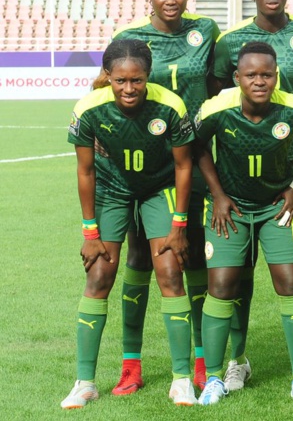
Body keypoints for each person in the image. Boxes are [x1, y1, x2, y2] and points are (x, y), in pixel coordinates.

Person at [212, 0, 293, 392]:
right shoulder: (230, 42)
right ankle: (236, 360)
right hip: (242, 175)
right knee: (236, 269)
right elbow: (217, 102)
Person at [61, 39, 196, 408]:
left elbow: (184, 165)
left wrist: (178, 226)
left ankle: (182, 379)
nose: (129, 89)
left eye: (136, 80)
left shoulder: (169, 105)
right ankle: (84, 382)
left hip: (159, 189)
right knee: (100, 274)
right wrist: (90, 232)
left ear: (147, 76)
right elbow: (85, 171)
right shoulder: (90, 108)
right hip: (111, 190)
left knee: (169, 271)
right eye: (120, 80)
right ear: (108, 76)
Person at [193, 42, 293, 406]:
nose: (259, 81)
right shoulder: (217, 108)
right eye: (250, 75)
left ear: (276, 75)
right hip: (230, 208)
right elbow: (197, 146)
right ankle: (216, 377)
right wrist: (217, 194)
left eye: (266, 74)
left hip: (276, 207)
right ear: (237, 78)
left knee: (290, 281)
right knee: (221, 285)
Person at [111, 0, 220, 392]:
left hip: (194, 161)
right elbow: (105, 88)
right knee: (139, 258)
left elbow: (219, 83)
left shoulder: (207, 31)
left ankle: (199, 358)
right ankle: (131, 364)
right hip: (148, 166)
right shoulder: (130, 38)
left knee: (191, 256)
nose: (171, 1)